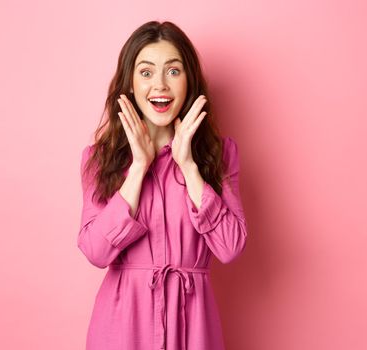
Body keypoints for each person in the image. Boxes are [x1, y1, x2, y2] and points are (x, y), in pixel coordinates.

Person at [77, 20, 248, 350]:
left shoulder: (221, 154)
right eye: (146, 72)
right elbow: (96, 252)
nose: (160, 85)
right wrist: (139, 167)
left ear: (189, 80)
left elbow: (230, 247)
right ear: (129, 83)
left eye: (173, 71)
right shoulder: (100, 159)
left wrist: (189, 166)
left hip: (194, 326)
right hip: (122, 327)